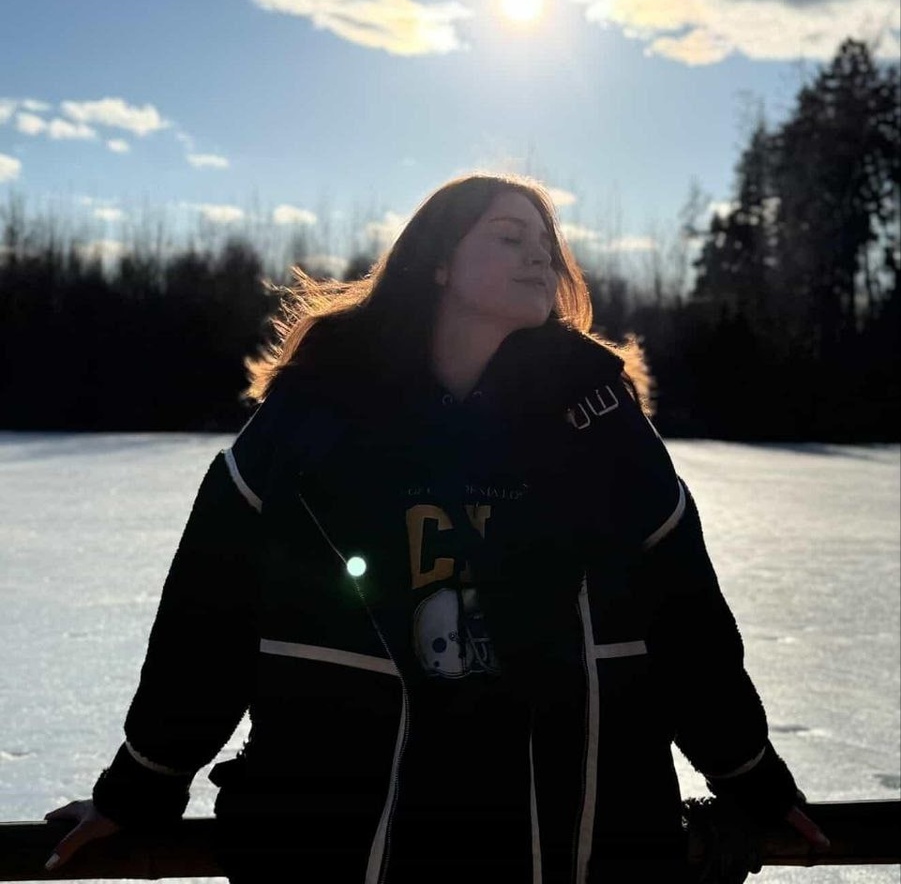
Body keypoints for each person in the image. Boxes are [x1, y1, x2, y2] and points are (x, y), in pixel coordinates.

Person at [45, 172, 828, 883]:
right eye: (508, 236)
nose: (540, 257)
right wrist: (141, 787)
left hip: (566, 846)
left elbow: (688, 623)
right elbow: (207, 622)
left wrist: (750, 779)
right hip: (347, 847)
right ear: (438, 262)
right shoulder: (309, 419)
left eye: (546, 243)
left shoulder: (602, 424)